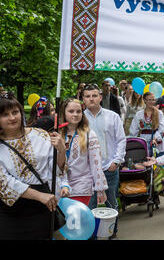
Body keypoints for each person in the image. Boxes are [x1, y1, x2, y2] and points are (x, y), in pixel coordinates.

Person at [0, 93, 68, 239]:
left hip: (42, 207)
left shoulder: (40, 135)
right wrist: (39, 196)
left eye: (15, 112)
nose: (12, 117)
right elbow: (4, 183)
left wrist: (61, 150)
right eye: (5, 114)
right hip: (12, 210)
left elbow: (55, 169)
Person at [83, 84, 126, 239]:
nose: (91, 99)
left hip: (109, 167)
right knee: (90, 205)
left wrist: (116, 161)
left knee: (111, 202)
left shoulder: (112, 116)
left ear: (100, 97)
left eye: (94, 95)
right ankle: (91, 235)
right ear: (83, 99)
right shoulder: (80, 119)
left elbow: (121, 140)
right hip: (88, 171)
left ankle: (111, 231)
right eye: (87, 96)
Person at [51, 98, 108, 206]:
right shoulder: (57, 135)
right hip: (60, 188)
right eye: (71, 111)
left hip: (82, 188)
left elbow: (96, 164)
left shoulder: (89, 135)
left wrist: (100, 190)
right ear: (64, 113)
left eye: (78, 111)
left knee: (80, 221)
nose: (76, 114)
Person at [129, 91, 164, 158]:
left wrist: (155, 139)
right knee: (144, 162)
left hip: (156, 141)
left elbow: (161, 129)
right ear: (144, 100)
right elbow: (133, 130)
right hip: (143, 141)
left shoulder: (159, 113)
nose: (151, 102)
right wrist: (133, 142)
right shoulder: (139, 114)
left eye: (153, 100)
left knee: (156, 164)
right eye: (149, 100)